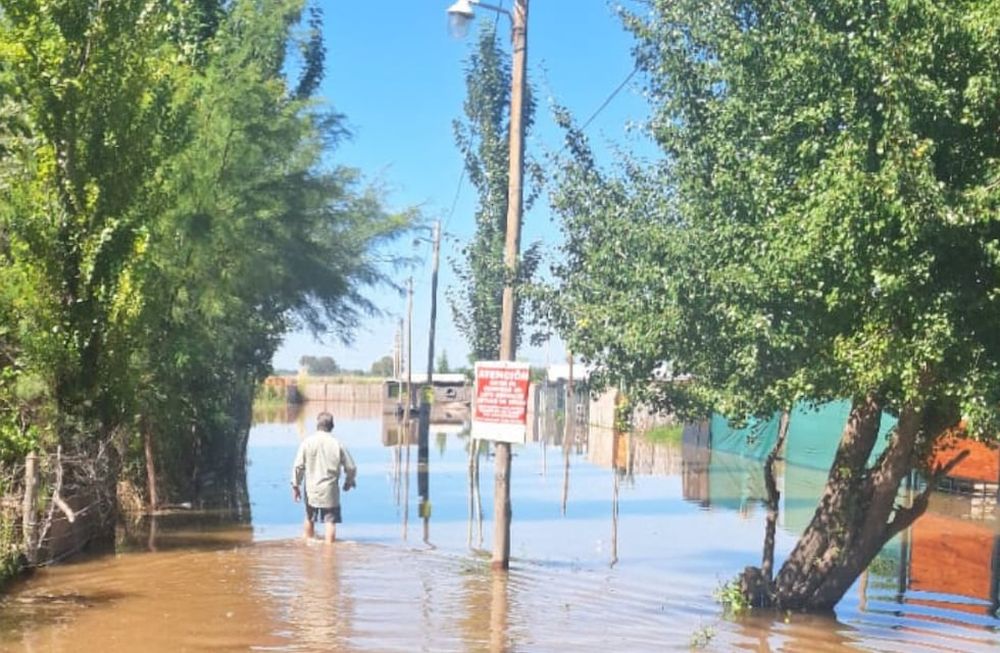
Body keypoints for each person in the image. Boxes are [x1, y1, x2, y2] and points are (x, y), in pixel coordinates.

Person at [291, 411, 357, 543]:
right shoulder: (337, 444)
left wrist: (295, 485)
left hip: (311, 489)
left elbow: (298, 466)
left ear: (317, 425)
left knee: (309, 517)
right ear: (332, 426)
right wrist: (348, 482)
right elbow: (351, 467)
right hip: (330, 490)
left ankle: (308, 545)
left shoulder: (307, 442)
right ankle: (330, 553)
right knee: (330, 521)